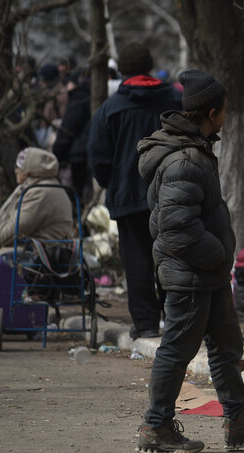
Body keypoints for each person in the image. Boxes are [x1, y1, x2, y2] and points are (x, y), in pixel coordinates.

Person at [135, 69, 244, 453]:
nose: (227, 116)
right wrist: (217, 255)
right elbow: (176, 227)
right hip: (191, 273)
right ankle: (156, 427)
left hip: (208, 274)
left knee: (226, 345)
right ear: (213, 111)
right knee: (177, 349)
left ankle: (239, 420)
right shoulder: (184, 160)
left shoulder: (196, 149)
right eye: (225, 109)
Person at [87, 43, 182, 339]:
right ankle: (178, 323)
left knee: (138, 261)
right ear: (149, 66)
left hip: (128, 196)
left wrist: (110, 182)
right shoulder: (175, 100)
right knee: (173, 258)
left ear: (124, 71)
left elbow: (98, 155)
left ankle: (145, 325)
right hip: (173, 195)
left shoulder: (111, 107)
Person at [0, 148, 74, 249]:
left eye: (19, 166)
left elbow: (16, 230)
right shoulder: (43, 186)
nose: (15, 170)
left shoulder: (40, 192)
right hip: (40, 250)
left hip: (44, 254)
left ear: (30, 169)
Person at [52, 68, 92, 205]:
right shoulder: (90, 95)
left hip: (79, 155)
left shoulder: (79, 97)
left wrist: (56, 152)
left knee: (79, 197)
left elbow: (68, 128)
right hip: (87, 152)